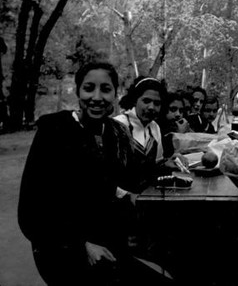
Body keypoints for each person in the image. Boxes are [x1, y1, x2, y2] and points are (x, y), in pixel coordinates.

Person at [18, 62, 168, 286]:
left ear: (115, 94)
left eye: (105, 90)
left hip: (106, 244)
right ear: (78, 91)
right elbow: (31, 211)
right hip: (62, 249)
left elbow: (102, 184)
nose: (97, 97)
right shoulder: (54, 129)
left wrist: (128, 197)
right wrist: (81, 245)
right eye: (89, 88)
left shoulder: (114, 132)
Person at [114, 76, 168, 194]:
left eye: (157, 103)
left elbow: (157, 165)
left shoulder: (155, 128)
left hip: (147, 197)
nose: (151, 107)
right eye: (146, 101)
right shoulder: (118, 125)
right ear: (134, 100)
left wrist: (169, 162)